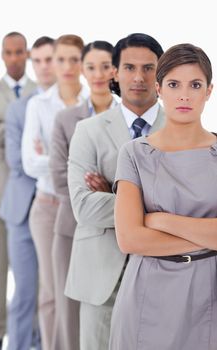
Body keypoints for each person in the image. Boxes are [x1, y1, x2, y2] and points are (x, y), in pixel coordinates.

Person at [109, 43, 217, 350]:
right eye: (173, 84)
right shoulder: (134, 154)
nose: (184, 95)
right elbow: (130, 239)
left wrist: (161, 220)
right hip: (148, 295)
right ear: (159, 89)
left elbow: (143, 232)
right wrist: (208, 235)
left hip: (209, 291)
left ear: (208, 91)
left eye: (194, 85)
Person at [65, 33, 164, 350]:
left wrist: (116, 196)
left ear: (161, 74)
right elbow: (83, 208)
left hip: (163, 272)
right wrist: (152, 206)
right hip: (100, 278)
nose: (139, 77)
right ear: (115, 74)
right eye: (130, 67)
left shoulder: (184, 130)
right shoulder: (88, 130)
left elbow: (191, 207)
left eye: (149, 68)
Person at [22, 34, 89, 350]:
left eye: (73, 59)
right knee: (51, 291)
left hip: (86, 209)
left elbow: (103, 161)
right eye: (59, 59)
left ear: (82, 62)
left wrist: (54, 157)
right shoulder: (38, 104)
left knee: (83, 289)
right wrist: (71, 162)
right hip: (48, 207)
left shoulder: (94, 102)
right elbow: (29, 162)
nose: (65, 66)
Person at [50, 40, 118, 350]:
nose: (99, 73)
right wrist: (90, 187)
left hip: (121, 234)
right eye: (91, 67)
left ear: (115, 70)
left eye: (106, 66)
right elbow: (60, 177)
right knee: (71, 314)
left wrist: (110, 188)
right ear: (82, 70)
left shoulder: (130, 116)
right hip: (72, 228)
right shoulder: (66, 119)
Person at [0, 36, 56, 350]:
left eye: (52, 60)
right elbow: (18, 161)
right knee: (25, 290)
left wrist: (43, 153)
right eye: (40, 60)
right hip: (21, 208)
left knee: (53, 289)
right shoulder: (20, 108)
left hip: (57, 206)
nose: (45, 66)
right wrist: (53, 157)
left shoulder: (71, 102)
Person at [0, 32, 36, 350]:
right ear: (2, 55)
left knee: (34, 266)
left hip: (33, 190)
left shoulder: (40, 91)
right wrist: (23, 126)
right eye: (9, 52)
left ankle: (33, 330)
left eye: (19, 52)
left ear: (27, 55)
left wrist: (10, 125)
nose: (14, 58)